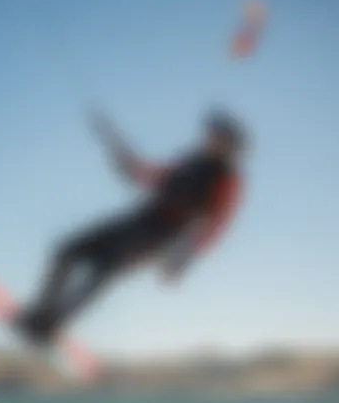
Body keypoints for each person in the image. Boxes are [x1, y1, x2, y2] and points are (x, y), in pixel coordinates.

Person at [14, 108, 246, 345]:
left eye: (216, 135)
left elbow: (216, 223)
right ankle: (40, 312)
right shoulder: (190, 161)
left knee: (102, 271)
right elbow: (152, 175)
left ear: (229, 145)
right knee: (66, 250)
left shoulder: (225, 178)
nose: (208, 137)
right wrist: (125, 161)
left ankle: (50, 325)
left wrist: (183, 258)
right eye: (209, 133)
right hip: (136, 219)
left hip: (159, 236)